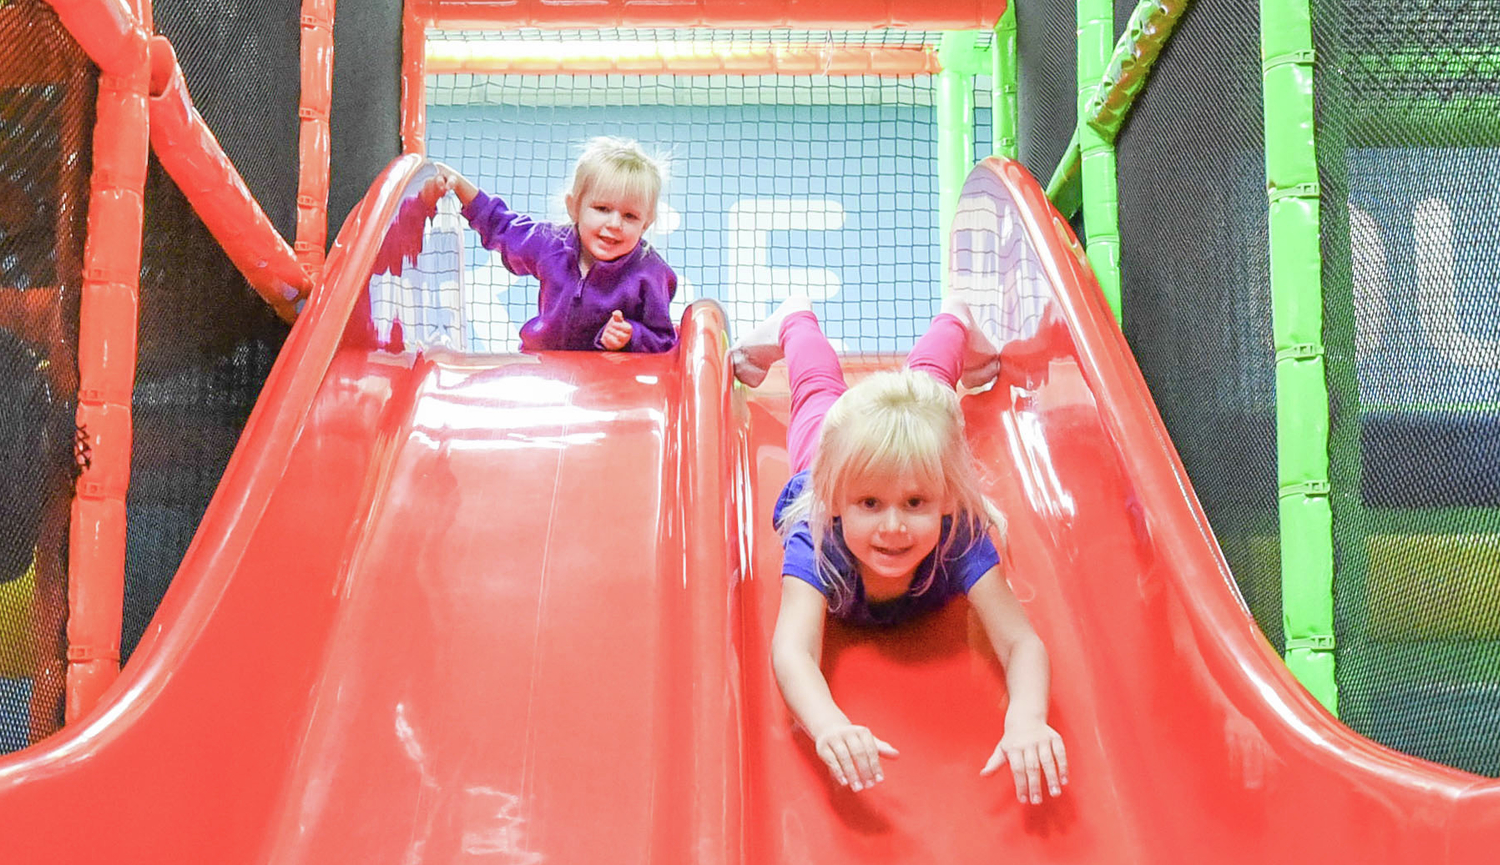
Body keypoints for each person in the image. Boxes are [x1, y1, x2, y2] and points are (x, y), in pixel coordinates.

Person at [734, 301, 1068, 806]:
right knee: (817, 394)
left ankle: (955, 321)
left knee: (930, 390)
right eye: (869, 504)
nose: (893, 527)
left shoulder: (957, 535)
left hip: (913, 445)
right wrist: (829, 725)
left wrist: (1026, 718)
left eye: (915, 503)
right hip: (825, 452)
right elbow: (792, 650)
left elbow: (1021, 642)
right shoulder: (818, 531)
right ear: (837, 500)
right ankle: (794, 322)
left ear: (946, 500)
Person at [434, 137, 678, 352]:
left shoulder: (650, 274)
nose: (615, 224)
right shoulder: (551, 244)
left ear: (645, 224)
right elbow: (502, 226)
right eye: (602, 209)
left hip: (606, 384)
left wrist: (631, 335)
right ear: (574, 207)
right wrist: (460, 187)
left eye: (630, 216)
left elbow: (664, 340)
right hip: (544, 367)